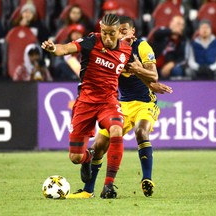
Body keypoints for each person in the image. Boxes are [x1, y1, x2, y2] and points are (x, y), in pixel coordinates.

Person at [41, 14, 158, 197]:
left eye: (112, 34)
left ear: (119, 32)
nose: (108, 38)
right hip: (85, 103)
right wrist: (53, 47)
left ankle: (109, 185)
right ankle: (88, 158)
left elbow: (145, 75)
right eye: (104, 33)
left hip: (108, 102)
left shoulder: (127, 50)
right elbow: (65, 49)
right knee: (76, 158)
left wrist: (147, 79)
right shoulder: (91, 41)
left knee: (116, 130)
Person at [68, 16, 173, 199]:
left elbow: (153, 74)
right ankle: (88, 190)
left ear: (133, 32)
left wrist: (143, 74)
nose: (121, 34)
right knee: (99, 146)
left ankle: (146, 179)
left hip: (144, 103)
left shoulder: (142, 47)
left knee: (141, 132)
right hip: (121, 103)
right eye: (119, 31)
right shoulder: (111, 49)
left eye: (125, 31)